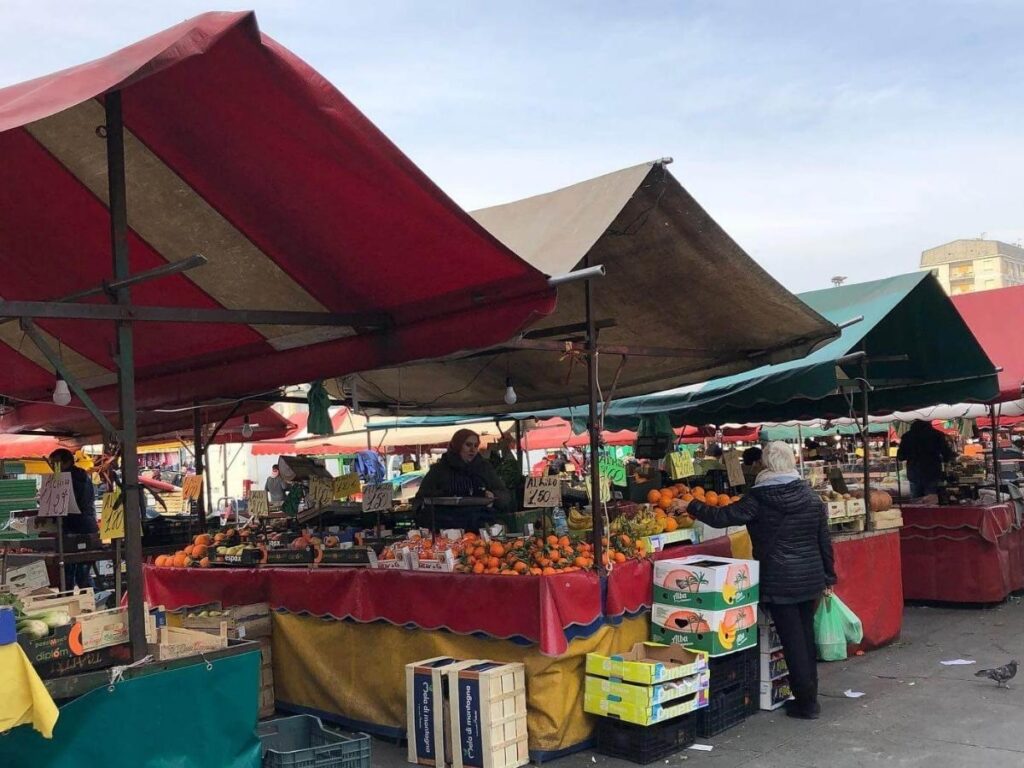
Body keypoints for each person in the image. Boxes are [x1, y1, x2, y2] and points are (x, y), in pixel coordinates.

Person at [673, 441, 836, 720]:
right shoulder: (811, 497)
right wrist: (829, 577)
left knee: (793, 642)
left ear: (766, 464)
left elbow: (724, 516)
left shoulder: (760, 497)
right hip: (810, 579)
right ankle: (809, 697)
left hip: (779, 578)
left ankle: (807, 703)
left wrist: (692, 505)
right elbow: (824, 542)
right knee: (805, 639)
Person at [414, 429, 510, 529]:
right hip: (447, 528)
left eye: (475, 446)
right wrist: (441, 497)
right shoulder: (439, 470)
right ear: (457, 446)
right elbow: (420, 501)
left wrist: (493, 496)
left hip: (481, 525)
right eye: (468, 445)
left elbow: (505, 497)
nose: (472, 449)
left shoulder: (484, 468)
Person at [49, 448, 97, 589]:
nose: (53, 467)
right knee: (75, 573)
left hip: (80, 529)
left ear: (68, 462)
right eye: (51, 464)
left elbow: (66, 503)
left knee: (76, 574)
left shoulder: (73, 478)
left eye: (56, 464)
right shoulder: (77, 476)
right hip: (82, 528)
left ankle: (83, 601)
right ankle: (81, 601)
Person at [896, 420, 955, 497]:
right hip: (932, 472)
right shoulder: (937, 435)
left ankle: (917, 508)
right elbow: (946, 454)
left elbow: (901, 456)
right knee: (931, 500)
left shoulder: (907, 436)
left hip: (914, 472)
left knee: (916, 501)